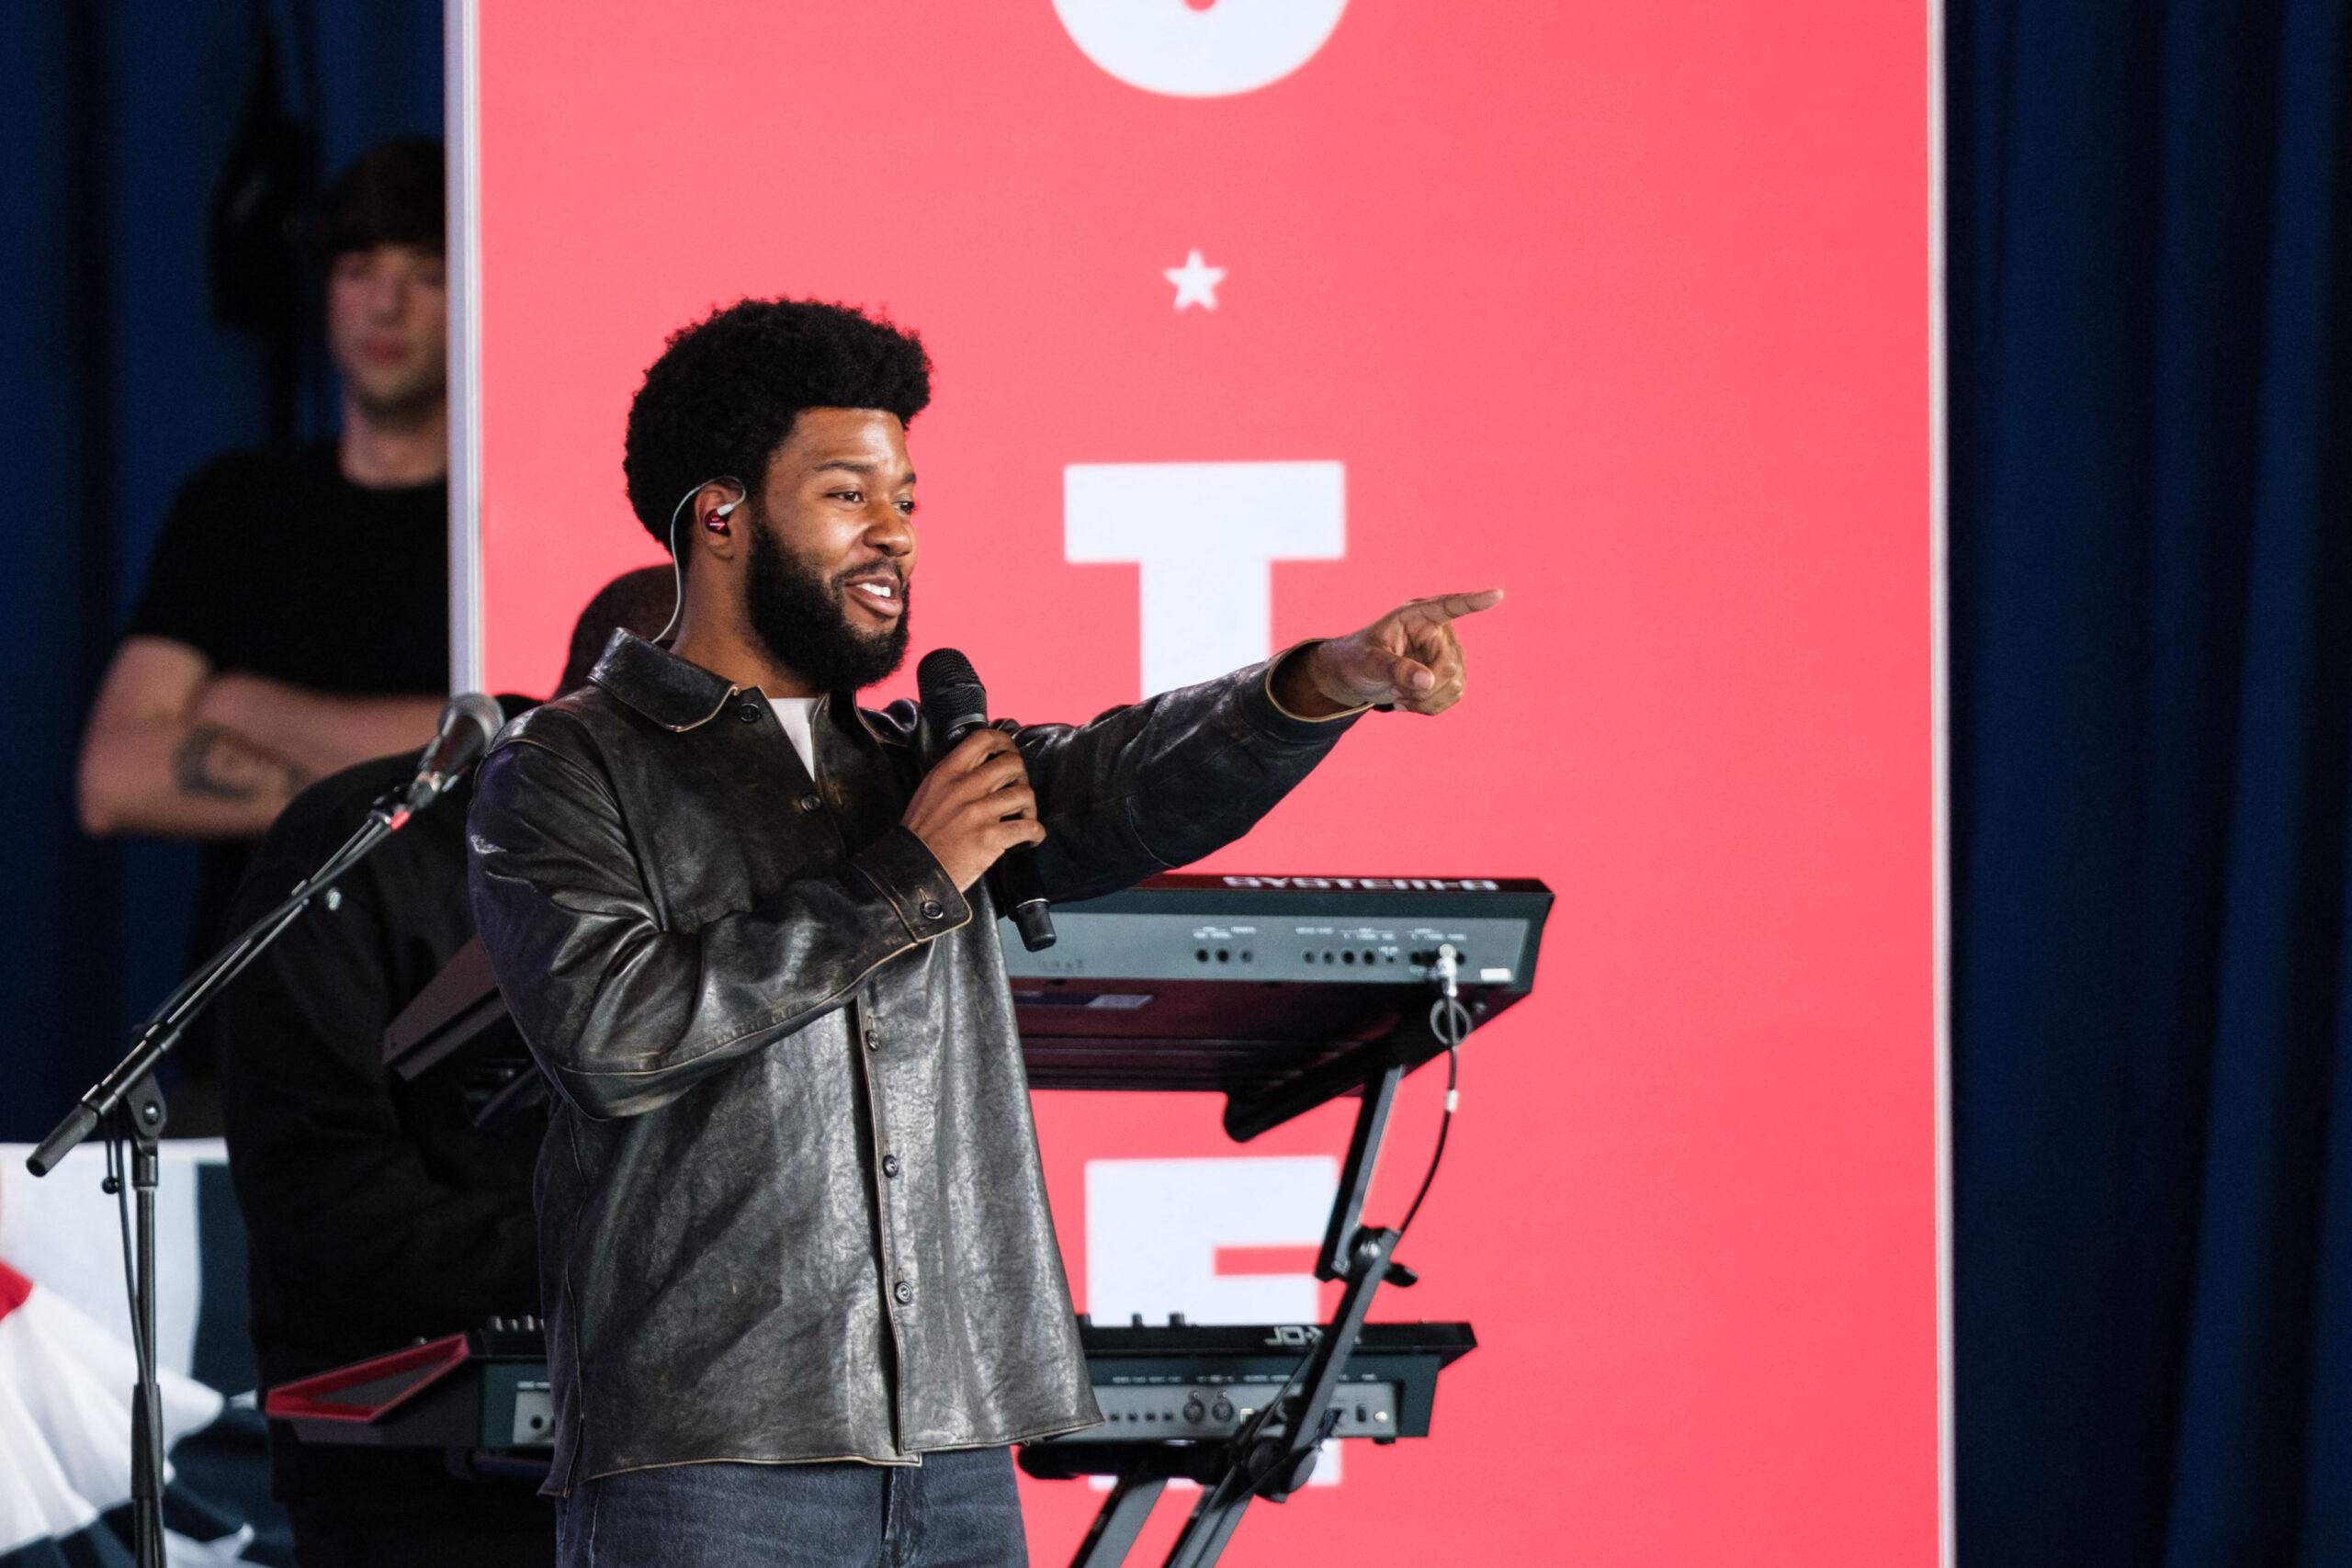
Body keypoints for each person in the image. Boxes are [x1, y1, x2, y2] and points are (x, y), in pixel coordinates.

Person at [464, 298, 1500, 1568]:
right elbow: (611, 1033)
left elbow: (1127, 779)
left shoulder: (916, 758)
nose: (894, 530)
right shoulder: (566, 762)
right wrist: (910, 876)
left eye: (906, 495)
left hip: (956, 1456)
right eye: (850, 493)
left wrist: (1319, 682)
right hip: (710, 1461)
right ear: (721, 514)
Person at [217, 569, 674, 1568]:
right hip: (410, 1471)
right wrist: (625, 1267)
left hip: (695, 1443)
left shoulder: (748, 871)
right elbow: (317, 1190)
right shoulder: (369, 844)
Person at [77, 139, 453, 1117]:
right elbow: (115, 778)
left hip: (458, 1062)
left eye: (426, 275)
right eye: (359, 268)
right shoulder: (238, 505)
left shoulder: (496, 518)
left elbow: (503, 758)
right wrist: (399, 787)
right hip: (250, 1052)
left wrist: (238, 703)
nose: (385, 306)